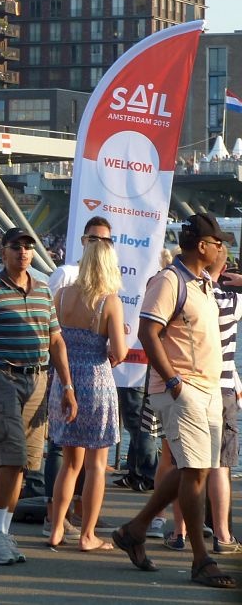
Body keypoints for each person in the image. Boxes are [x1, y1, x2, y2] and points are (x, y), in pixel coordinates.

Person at [112, 213, 236, 589]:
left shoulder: (201, 283)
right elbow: (148, 332)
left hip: (208, 390)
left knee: (190, 469)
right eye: (217, 243)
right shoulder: (171, 280)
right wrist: (173, 380)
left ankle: (134, 530)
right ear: (203, 246)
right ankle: (201, 559)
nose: (221, 249)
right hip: (183, 391)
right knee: (196, 471)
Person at [0, 227, 77, 566]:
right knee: (12, 456)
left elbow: (56, 342)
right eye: (16, 247)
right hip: (2, 376)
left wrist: (67, 386)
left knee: (25, 462)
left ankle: (2, 530)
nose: (23, 253)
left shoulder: (41, 292)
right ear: (3, 251)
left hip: (38, 378)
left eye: (27, 247)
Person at [46, 231, 127, 551]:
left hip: (65, 380)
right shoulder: (110, 301)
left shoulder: (62, 295)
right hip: (96, 380)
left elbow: (52, 338)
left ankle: (55, 530)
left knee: (69, 463)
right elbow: (119, 352)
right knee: (96, 465)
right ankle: (88, 534)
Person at [208, 243, 242, 554]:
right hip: (223, 387)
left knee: (183, 464)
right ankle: (222, 534)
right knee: (221, 465)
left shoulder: (194, 292)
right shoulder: (233, 299)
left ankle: (179, 532)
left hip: (191, 385)